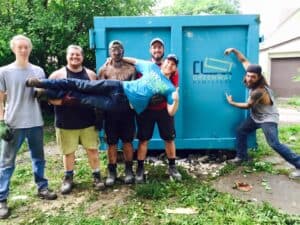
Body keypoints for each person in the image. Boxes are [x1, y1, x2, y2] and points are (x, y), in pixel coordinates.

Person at [0, 35, 57, 219]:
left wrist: (41, 92)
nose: (23, 50)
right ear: (14, 49)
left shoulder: (38, 70)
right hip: (13, 124)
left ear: (30, 49)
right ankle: (1, 199)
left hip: (35, 122)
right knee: (6, 163)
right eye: (20, 47)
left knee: (38, 159)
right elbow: (0, 99)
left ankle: (42, 187)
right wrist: (1, 122)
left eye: (26, 47)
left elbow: (45, 92)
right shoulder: (4, 71)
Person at [224, 47, 300, 179]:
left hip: (268, 119)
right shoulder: (251, 71)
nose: (249, 79)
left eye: (252, 77)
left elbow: (248, 106)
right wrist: (234, 50)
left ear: (259, 77)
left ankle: (298, 164)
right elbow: (243, 60)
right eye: (248, 76)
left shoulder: (258, 91)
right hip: (256, 116)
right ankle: (242, 157)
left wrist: (232, 103)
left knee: (274, 144)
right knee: (240, 130)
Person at [47, 45, 104, 194]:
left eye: (78, 55)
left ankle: (97, 176)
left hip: (88, 121)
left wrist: (99, 116)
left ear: (82, 57)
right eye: (72, 55)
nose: (75, 57)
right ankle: (68, 178)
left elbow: (97, 96)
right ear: (67, 56)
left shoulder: (91, 75)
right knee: (68, 153)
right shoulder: (57, 75)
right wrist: (63, 102)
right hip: (65, 122)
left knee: (92, 150)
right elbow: (48, 98)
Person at [135, 38, 182, 183]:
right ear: (151, 50)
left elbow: (171, 91)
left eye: (159, 48)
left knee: (169, 139)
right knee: (143, 140)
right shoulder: (145, 66)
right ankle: (140, 169)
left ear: (163, 50)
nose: (157, 50)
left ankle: (172, 167)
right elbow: (138, 86)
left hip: (163, 111)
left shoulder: (171, 69)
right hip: (146, 111)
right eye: (154, 47)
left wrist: (164, 98)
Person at [98, 40, 136, 186]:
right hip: (110, 113)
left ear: (123, 51)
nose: (116, 52)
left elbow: (134, 91)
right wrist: (99, 115)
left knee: (128, 141)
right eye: (113, 49)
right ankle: (111, 171)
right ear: (109, 52)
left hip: (127, 113)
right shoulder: (104, 70)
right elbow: (100, 93)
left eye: (119, 49)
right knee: (111, 143)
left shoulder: (131, 69)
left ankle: (128, 170)